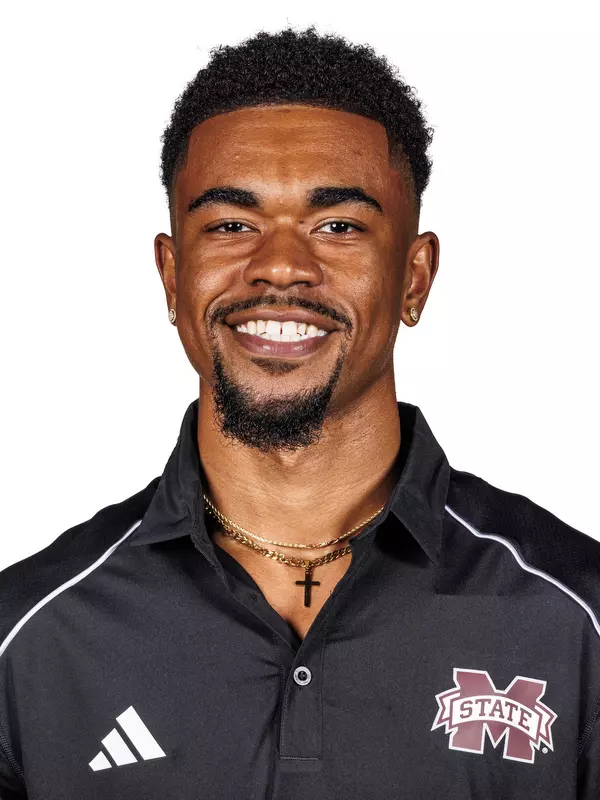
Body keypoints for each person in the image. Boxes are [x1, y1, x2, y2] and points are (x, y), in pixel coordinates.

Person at [0, 25, 598, 800]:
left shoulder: (575, 622)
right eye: (231, 225)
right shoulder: (31, 641)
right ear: (172, 274)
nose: (281, 265)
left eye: (338, 226)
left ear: (415, 278)